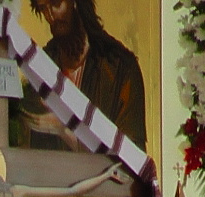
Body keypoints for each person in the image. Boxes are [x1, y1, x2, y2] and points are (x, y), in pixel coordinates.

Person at [15, 0, 146, 151]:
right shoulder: (42, 66)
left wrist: (65, 130)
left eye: (56, 4)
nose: (51, 16)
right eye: (44, 8)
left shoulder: (120, 69)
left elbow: (132, 160)